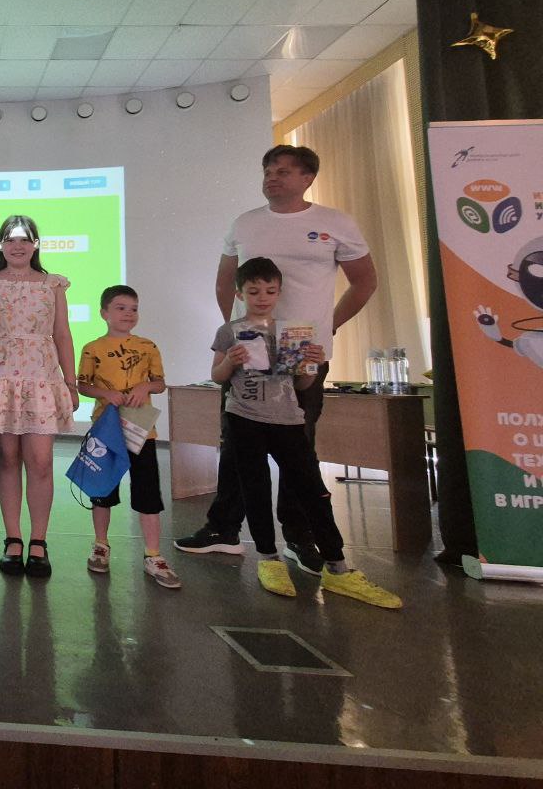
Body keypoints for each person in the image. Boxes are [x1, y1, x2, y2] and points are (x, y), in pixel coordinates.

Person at [175, 145, 377, 574]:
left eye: (283, 171)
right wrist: (236, 330)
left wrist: (330, 326)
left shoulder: (335, 223)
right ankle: (223, 529)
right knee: (236, 442)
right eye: (268, 170)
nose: (272, 177)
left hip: (302, 351)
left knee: (299, 446)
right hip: (249, 353)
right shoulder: (246, 223)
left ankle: (299, 537)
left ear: (307, 178)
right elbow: (225, 282)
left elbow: (364, 282)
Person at [210, 258, 400, 608]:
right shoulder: (229, 331)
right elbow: (217, 376)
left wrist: (311, 363)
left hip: (288, 420)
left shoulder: (293, 332)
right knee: (255, 489)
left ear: (279, 292)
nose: (262, 297)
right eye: (254, 291)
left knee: (313, 491)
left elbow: (302, 384)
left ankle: (337, 567)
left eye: (270, 291)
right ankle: (268, 559)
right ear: (240, 294)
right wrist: (230, 361)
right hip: (244, 419)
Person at [0, 215, 78, 578]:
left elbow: (63, 334)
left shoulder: (52, 284)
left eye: (25, 240)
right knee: (8, 459)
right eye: (10, 240)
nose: (18, 246)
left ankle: (39, 540)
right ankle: (13, 539)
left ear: (35, 245)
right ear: (0, 245)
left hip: (41, 378)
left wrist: (71, 382)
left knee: (41, 461)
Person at [76, 285, 179, 589]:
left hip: (141, 430)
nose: (128, 314)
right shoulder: (92, 348)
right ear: (104, 313)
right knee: (103, 491)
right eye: (120, 308)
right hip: (106, 429)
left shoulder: (148, 346)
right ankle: (101, 545)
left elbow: (159, 383)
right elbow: (83, 385)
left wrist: (145, 387)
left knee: (148, 491)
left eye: (133, 308)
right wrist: (105, 393)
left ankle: (153, 554)